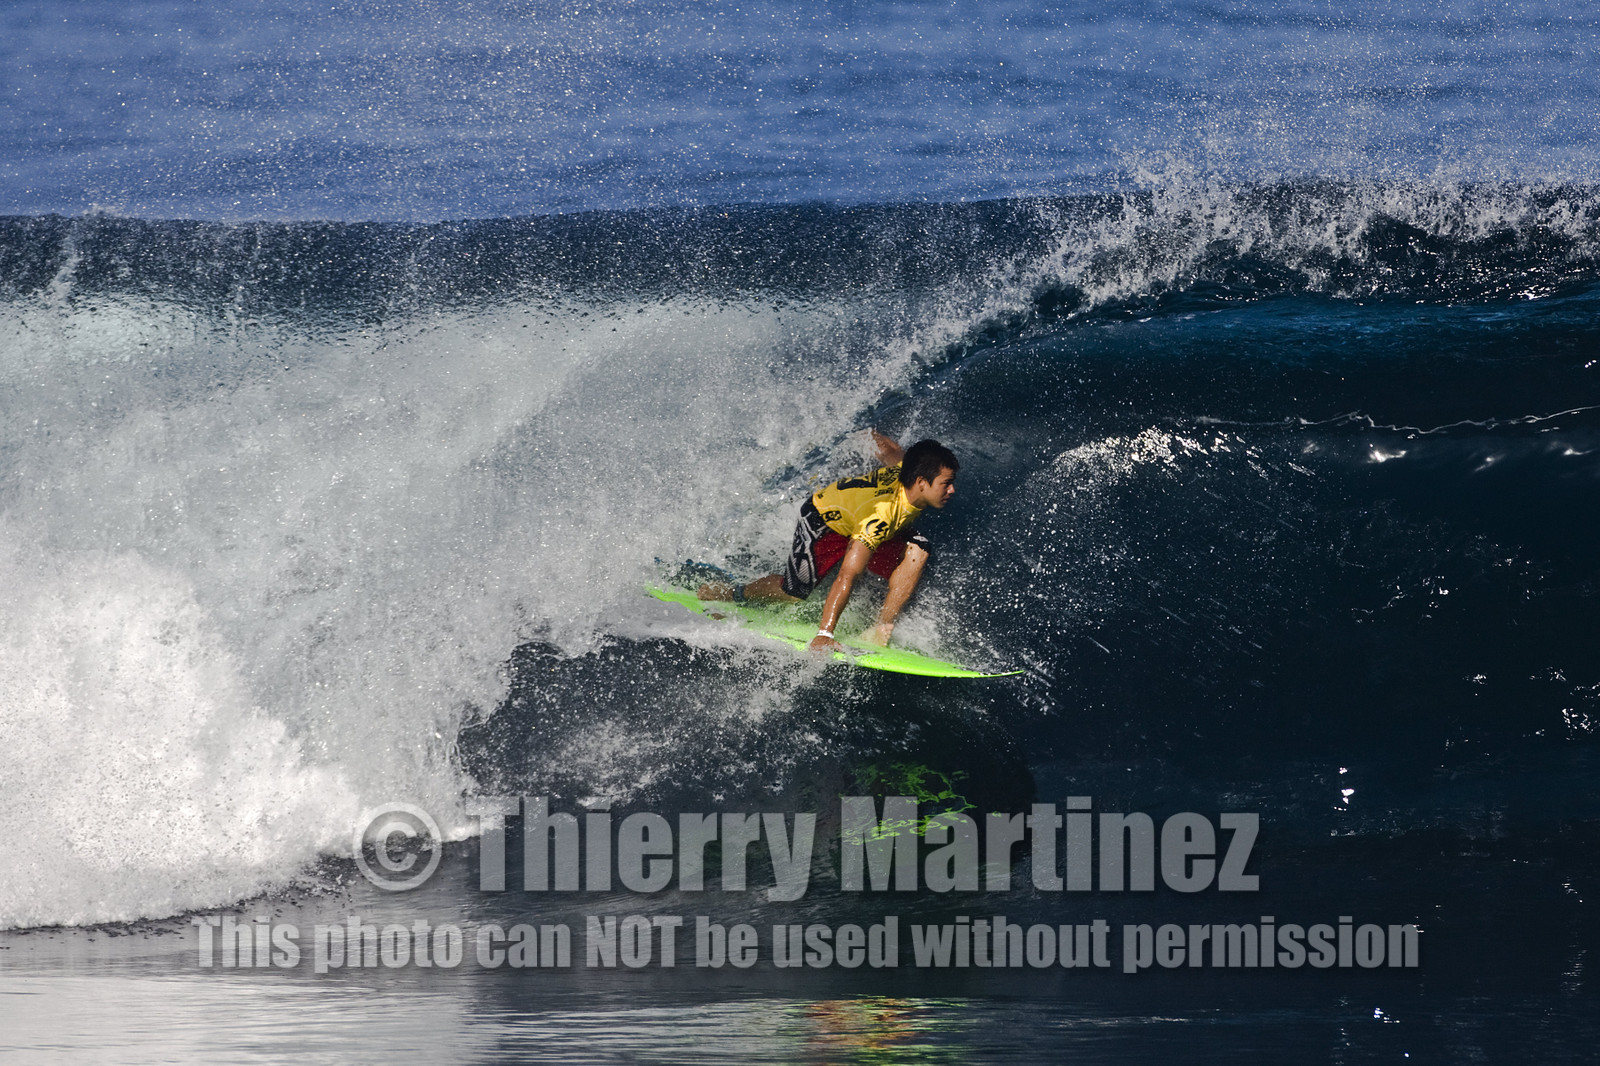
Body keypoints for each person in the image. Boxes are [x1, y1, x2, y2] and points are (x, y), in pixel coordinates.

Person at [698, 432, 959, 653]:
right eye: (946, 484)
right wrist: (826, 634)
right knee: (793, 594)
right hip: (823, 521)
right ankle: (731, 593)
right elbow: (848, 574)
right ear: (922, 483)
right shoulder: (880, 518)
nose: (952, 491)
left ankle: (880, 628)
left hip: (856, 516)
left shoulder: (908, 470)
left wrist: (866, 433)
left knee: (919, 548)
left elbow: (892, 452)